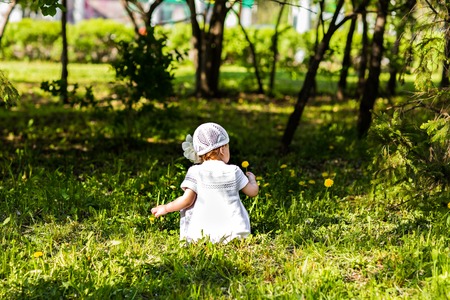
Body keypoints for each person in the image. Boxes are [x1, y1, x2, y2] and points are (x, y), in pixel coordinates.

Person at [151, 122, 259, 243]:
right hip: (236, 233)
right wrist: (252, 180)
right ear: (222, 149)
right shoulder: (234, 170)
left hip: (202, 235)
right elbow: (253, 192)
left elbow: (187, 200)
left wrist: (166, 208)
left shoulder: (195, 172)